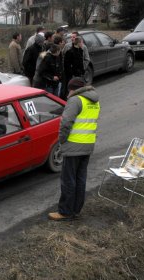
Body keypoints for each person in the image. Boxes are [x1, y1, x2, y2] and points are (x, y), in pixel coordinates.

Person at [48, 77, 100, 221]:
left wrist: (62, 140)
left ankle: (65, 212)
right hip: (88, 145)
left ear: (73, 89)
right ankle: (76, 210)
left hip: (73, 145)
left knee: (68, 180)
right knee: (80, 179)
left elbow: (66, 123)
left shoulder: (76, 100)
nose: (67, 93)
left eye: (69, 89)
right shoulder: (94, 101)